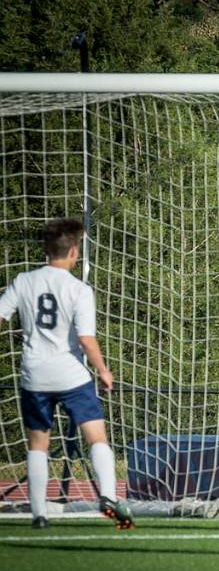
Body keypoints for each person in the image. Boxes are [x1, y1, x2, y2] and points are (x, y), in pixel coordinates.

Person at [0, 218, 134, 530]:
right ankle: (110, 498)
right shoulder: (79, 289)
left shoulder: (24, 281)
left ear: (48, 250)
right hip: (72, 375)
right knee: (96, 436)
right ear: (74, 252)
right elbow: (86, 339)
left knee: (38, 444)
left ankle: (39, 515)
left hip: (34, 374)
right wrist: (103, 370)